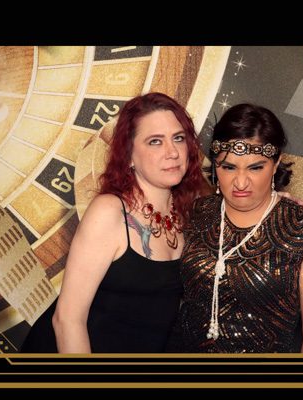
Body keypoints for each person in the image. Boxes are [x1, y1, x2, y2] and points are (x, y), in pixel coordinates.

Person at [21, 92, 205, 353]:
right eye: (155, 141)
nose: (172, 152)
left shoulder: (188, 212)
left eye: (179, 138)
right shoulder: (109, 212)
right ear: (129, 155)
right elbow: (67, 320)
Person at [168, 103, 303, 352]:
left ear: (276, 163)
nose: (240, 182)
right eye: (229, 167)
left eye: (255, 167)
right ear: (215, 165)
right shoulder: (196, 214)